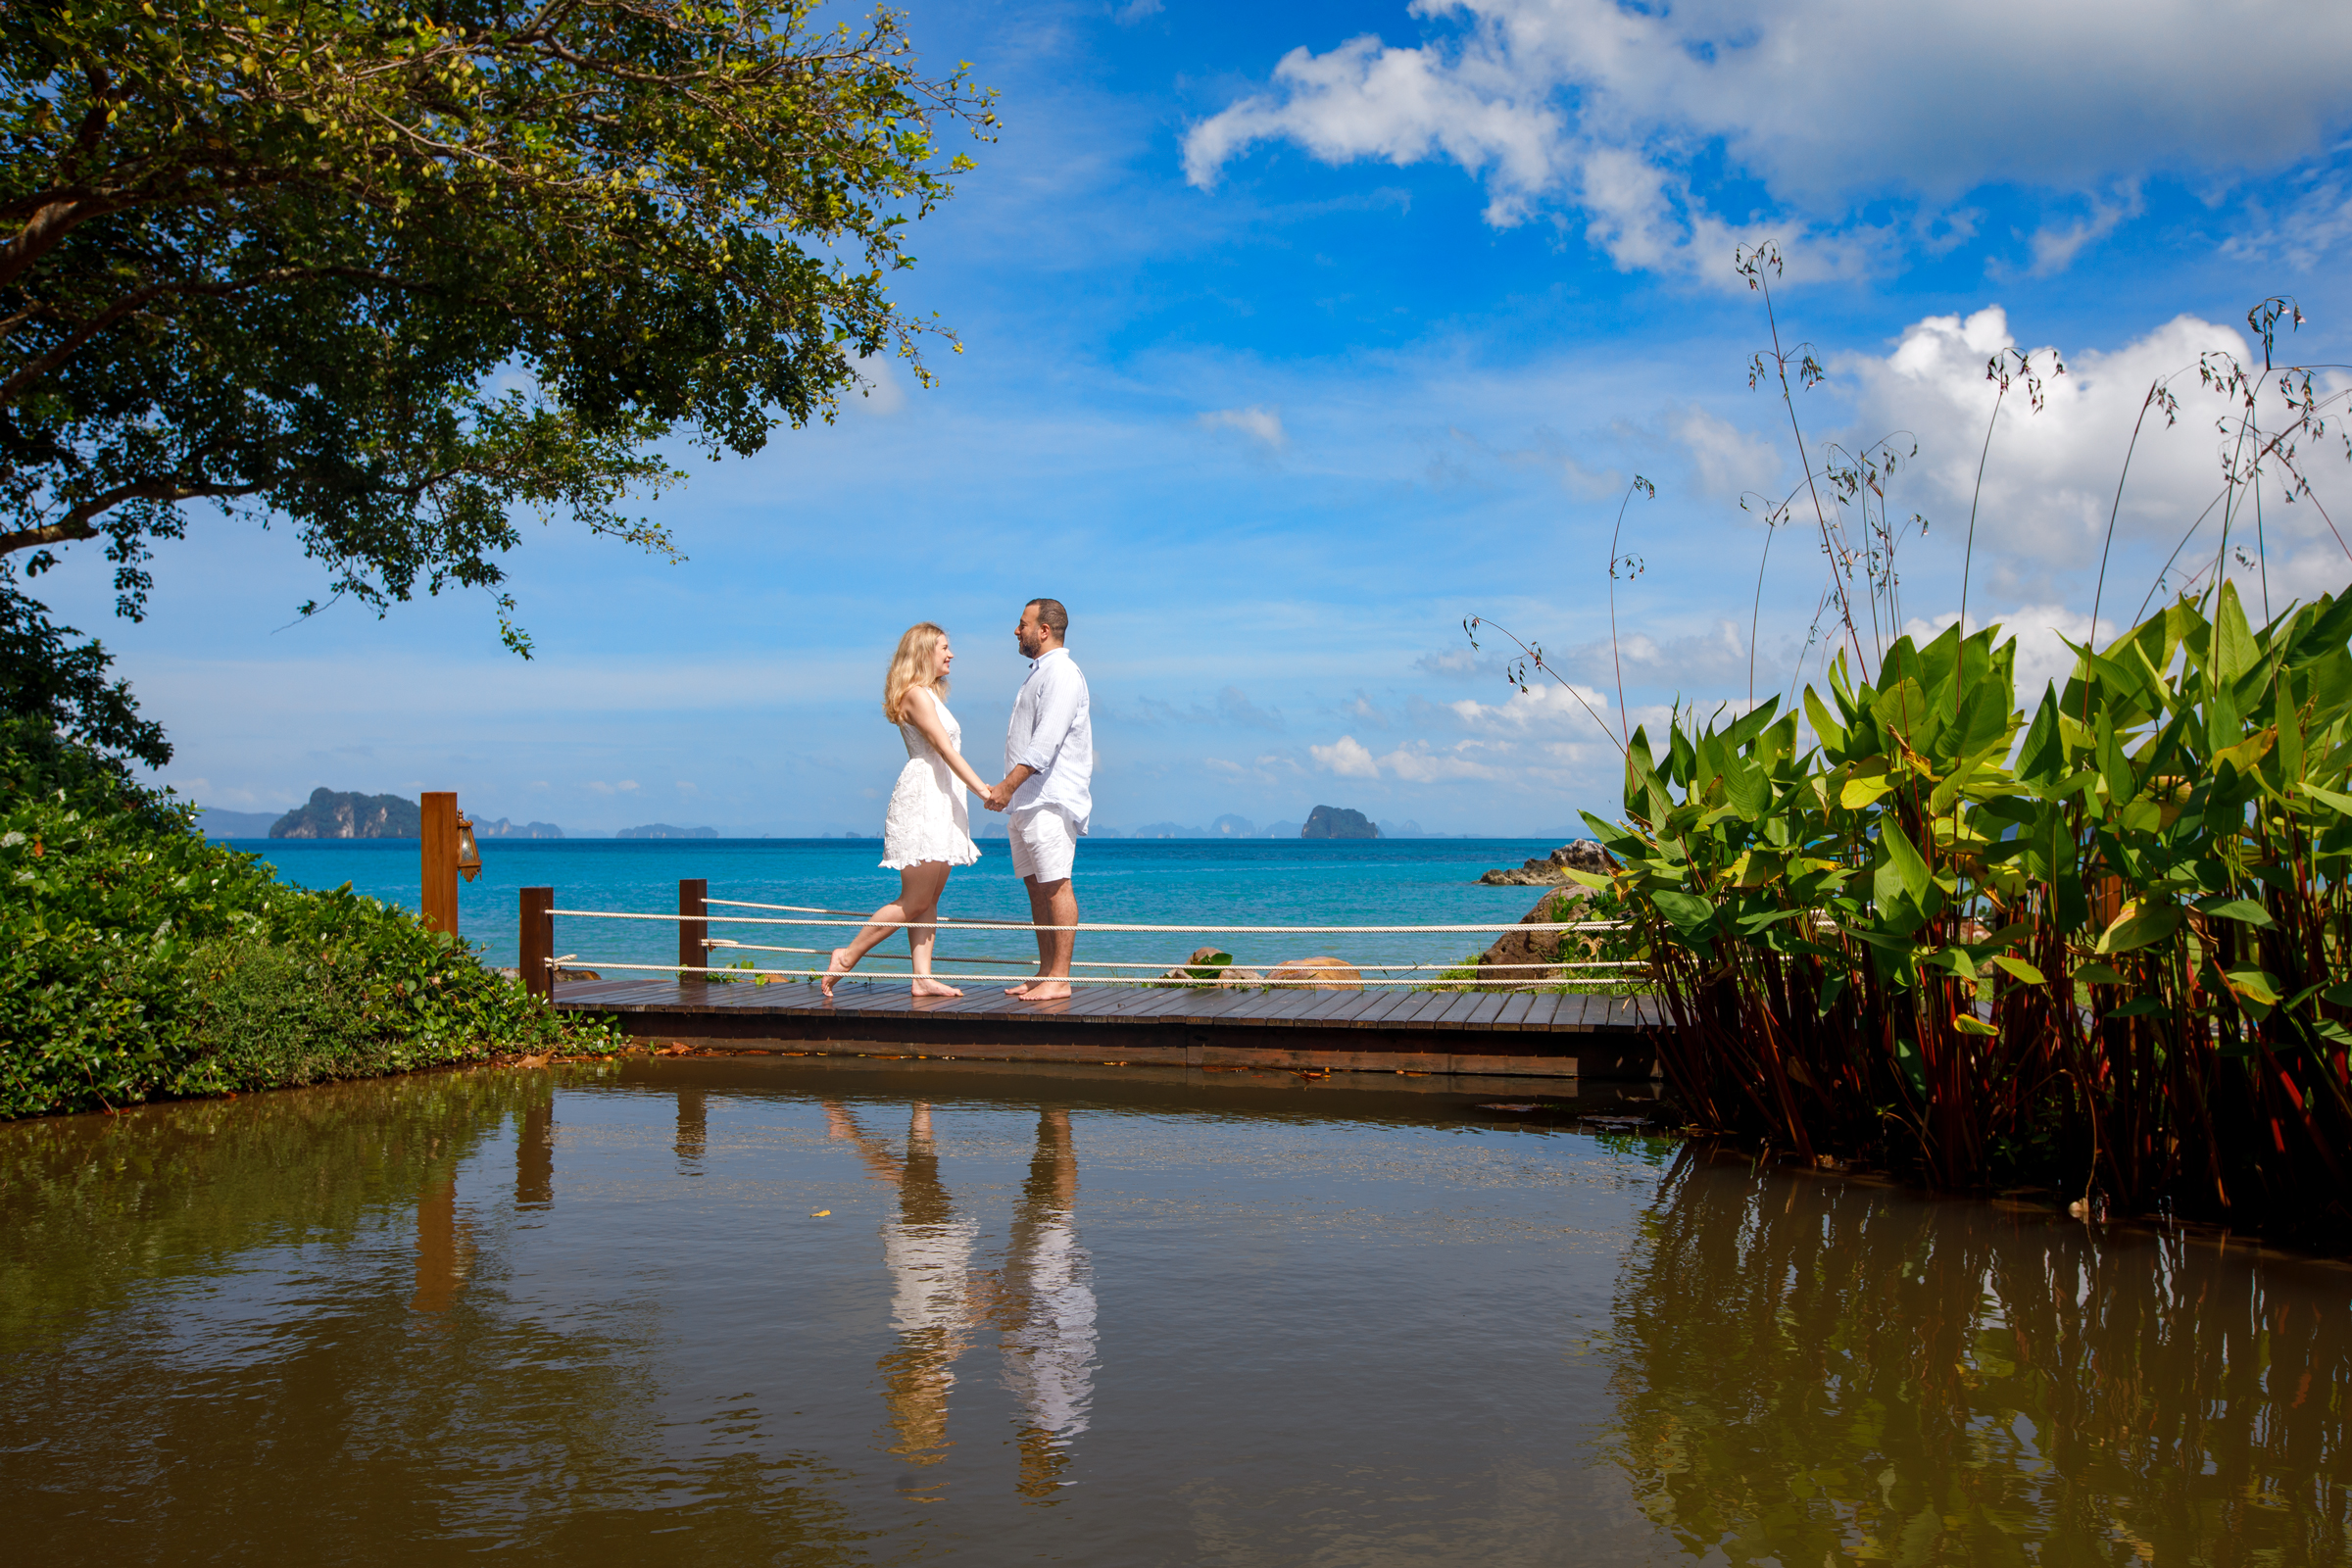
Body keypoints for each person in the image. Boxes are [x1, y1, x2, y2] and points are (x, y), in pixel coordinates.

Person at [824, 623, 995, 998]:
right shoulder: (916, 695)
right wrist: (984, 790)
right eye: (944, 648)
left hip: (943, 797)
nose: (951, 654)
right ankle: (847, 955)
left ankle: (922, 978)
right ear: (923, 652)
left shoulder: (930, 695)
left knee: (929, 899)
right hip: (924, 798)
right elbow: (945, 750)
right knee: (914, 899)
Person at [982, 598, 1092, 1001]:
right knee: (1035, 885)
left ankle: (1060, 977)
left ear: (1043, 630)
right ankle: (1046, 971)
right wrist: (1013, 794)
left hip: (1049, 798)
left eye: (1022, 623)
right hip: (1028, 801)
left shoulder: (1062, 673)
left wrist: (1007, 786)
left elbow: (1045, 743)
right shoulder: (1040, 673)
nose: (1017, 630)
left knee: (1056, 885)